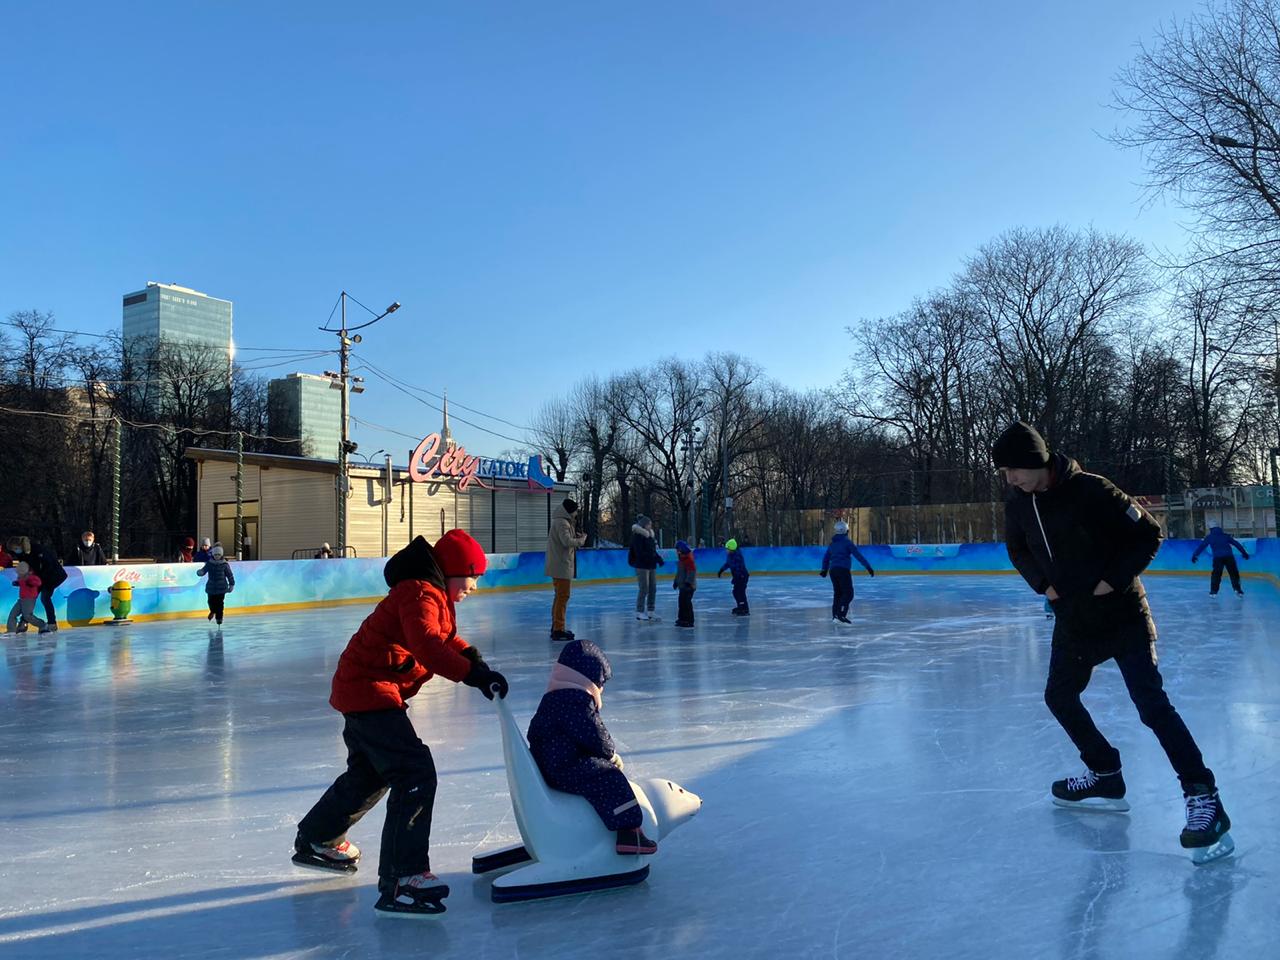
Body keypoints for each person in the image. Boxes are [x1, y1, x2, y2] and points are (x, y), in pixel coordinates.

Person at [994, 421, 1232, 862]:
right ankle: (1105, 772)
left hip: (1122, 616)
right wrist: (1043, 585)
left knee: (1151, 706)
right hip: (1074, 620)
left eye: (1012, 470)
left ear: (1035, 460)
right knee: (1059, 696)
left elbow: (1148, 534)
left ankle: (1205, 798)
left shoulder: (1093, 490)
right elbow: (1017, 550)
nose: (1009, 479)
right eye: (1005, 473)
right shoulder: (1018, 504)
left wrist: (1111, 582)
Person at [294, 531, 509, 917]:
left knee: (371, 775)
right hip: (369, 690)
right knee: (414, 772)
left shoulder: (431, 594)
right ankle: (402, 877)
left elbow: (445, 638)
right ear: (455, 571)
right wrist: (469, 676)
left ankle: (318, 838)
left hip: (364, 689)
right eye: (473, 578)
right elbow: (426, 643)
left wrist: (475, 662)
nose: (474, 588)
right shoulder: (420, 593)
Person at [526, 639, 658, 855]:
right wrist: (610, 754)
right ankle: (629, 832)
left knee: (602, 774)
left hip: (549, 762)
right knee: (610, 778)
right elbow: (594, 733)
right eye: (600, 683)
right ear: (588, 679)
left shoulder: (553, 697)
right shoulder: (575, 700)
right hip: (563, 768)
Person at [545, 497, 586, 642]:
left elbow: (566, 538)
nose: (576, 514)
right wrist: (580, 541)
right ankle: (558, 629)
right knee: (563, 596)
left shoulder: (561, 521)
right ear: (570, 511)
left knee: (560, 597)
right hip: (561, 565)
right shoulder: (562, 523)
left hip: (559, 564)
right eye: (575, 511)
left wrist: (576, 536)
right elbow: (566, 542)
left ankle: (557, 626)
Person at [6, 536, 66, 632]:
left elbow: (48, 564)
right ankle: (23, 623)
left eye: (15, 549)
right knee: (28, 599)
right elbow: (25, 567)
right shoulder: (22, 554)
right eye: (13, 550)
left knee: (45, 597)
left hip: (53, 576)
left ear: (19, 545)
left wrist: (37, 579)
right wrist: (23, 579)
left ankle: (52, 623)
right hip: (39, 577)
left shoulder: (37, 549)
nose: (14, 551)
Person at [820, 520, 874, 624]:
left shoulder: (832, 544)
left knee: (838, 593)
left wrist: (824, 569)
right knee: (848, 593)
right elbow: (858, 555)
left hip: (833, 571)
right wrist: (868, 567)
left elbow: (826, 557)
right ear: (846, 530)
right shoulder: (847, 542)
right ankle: (840, 613)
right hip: (843, 570)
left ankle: (835, 615)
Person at [1191, 526, 1249, 597]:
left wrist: (1195, 555)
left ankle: (1213, 592)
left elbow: (1202, 546)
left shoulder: (1210, 537)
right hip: (1229, 557)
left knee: (1216, 575)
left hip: (1218, 558)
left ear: (1211, 530)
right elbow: (1236, 544)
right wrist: (1244, 553)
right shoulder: (1225, 536)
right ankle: (1238, 590)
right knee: (1234, 574)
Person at [627, 514, 664, 621]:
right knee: (644, 588)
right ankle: (639, 611)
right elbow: (639, 552)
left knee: (653, 588)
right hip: (641, 565)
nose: (650, 525)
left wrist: (658, 559)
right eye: (649, 524)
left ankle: (651, 611)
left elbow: (653, 551)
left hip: (651, 565)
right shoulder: (637, 536)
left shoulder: (650, 536)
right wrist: (651, 558)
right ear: (644, 525)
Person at [6, 560, 50, 634]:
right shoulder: (22, 576)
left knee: (27, 616)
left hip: (29, 599)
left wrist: (29, 582)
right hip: (21, 599)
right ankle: (11, 631)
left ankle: (42, 625)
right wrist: (17, 583)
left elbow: (38, 582)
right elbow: (21, 582)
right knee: (12, 614)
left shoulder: (32, 577)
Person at [196, 544, 235, 626]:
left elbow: (229, 575)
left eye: (219, 555)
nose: (217, 556)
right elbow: (204, 570)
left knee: (220, 604)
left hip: (221, 588)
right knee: (211, 602)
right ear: (213, 555)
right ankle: (212, 611)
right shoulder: (209, 563)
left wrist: (231, 584)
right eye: (215, 554)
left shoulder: (224, 564)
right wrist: (200, 572)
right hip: (211, 587)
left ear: (221, 555)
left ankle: (219, 618)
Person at [717, 538, 750, 616]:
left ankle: (744, 608)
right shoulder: (730, 555)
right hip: (737, 577)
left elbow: (739, 568)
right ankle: (741, 606)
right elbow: (728, 564)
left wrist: (738, 578)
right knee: (736, 592)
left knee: (740, 592)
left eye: (727, 549)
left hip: (742, 576)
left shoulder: (737, 556)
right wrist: (721, 570)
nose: (726, 550)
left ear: (731, 549)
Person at [672, 539, 696, 628]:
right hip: (682, 586)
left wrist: (688, 583)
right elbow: (679, 573)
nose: (676, 552)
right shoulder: (681, 560)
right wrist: (676, 582)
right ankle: (682, 619)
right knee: (681, 603)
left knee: (687, 603)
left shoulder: (688, 559)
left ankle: (689, 620)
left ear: (681, 549)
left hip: (689, 587)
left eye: (677, 549)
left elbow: (692, 572)